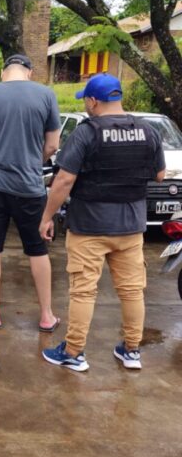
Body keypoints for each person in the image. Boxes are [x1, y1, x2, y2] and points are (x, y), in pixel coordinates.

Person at [39, 73, 165, 372]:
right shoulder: (147, 131)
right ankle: (132, 350)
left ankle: (73, 352)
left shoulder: (87, 132)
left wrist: (46, 217)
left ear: (94, 101)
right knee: (132, 291)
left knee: (83, 291)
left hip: (89, 227)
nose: (85, 105)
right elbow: (159, 175)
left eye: (86, 100)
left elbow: (64, 180)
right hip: (132, 226)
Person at [0, 54, 61, 331]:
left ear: (2, 72)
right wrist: (32, 163)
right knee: (37, 249)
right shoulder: (46, 95)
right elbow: (53, 145)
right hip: (30, 187)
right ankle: (46, 315)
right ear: (30, 72)